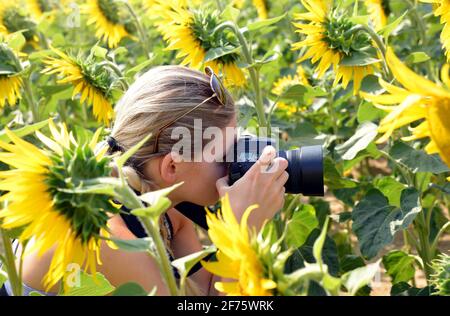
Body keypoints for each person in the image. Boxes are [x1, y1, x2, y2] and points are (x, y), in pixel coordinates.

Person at [4, 65, 288, 296]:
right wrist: (242, 228)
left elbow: (202, 291)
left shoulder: (164, 201)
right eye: (224, 154)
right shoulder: (110, 238)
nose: (235, 162)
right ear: (172, 167)